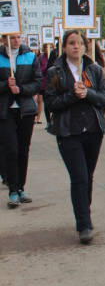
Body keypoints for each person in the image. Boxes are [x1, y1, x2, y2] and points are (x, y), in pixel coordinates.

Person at [46, 29, 105, 244]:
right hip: (68, 132)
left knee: (88, 177)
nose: (76, 46)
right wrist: (73, 95)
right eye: (71, 43)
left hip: (92, 131)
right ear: (64, 46)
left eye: (79, 43)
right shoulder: (55, 71)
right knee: (79, 178)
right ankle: (84, 225)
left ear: (85, 46)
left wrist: (88, 93)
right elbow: (51, 104)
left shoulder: (94, 69)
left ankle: (85, 212)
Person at [0, 33, 42, 208]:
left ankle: (21, 189)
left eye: (18, 37)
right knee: (11, 150)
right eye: (12, 38)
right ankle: (12, 191)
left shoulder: (30, 56)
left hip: (26, 110)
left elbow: (38, 82)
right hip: (5, 111)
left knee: (23, 150)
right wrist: (5, 85)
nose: (16, 40)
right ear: (4, 39)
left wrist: (21, 89)